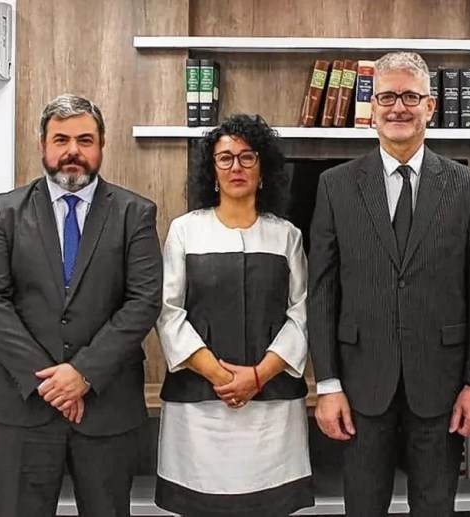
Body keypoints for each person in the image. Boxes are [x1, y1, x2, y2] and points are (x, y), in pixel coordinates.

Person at [307, 51, 470, 517]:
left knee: (435, 508)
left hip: (441, 386)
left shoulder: (468, 187)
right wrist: (327, 384)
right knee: (363, 507)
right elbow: (323, 292)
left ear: (430, 106)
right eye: (387, 96)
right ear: (371, 107)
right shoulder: (335, 186)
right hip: (360, 385)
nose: (398, 107)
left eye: (410, 97)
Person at [0, 94, 163, 517]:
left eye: (84, 140)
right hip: (25, 405)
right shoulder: (6, 212)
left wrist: (83, 373)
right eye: (61, 139)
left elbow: (143, 302)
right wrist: (50, 382)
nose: (72, 151)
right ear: (43, 144)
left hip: (106, 407)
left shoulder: (135, 214)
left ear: (102, 144)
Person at [153, 113, 313, 517]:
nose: (236, 167)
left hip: (272, 410)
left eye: (247, 157)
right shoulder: (185, 231)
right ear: (212, 171)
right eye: (225, 158)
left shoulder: (287, 236)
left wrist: (257, 377)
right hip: (199, 411)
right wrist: (222, 377)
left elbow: (302, 314)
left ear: (263, 169)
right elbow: (168, 312)